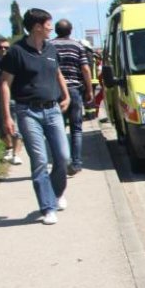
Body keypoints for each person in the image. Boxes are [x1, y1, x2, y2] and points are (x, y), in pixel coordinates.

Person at [0, 8, 71, 225]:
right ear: (38, 26)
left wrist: (66, 95)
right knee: (39, 161)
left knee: (63, 157)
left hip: (53, 110)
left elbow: (57, 73)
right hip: (27, 111)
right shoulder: (16, 52)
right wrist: (6, 117)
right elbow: (5, 83)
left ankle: (55, 193)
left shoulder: (51, 48)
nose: (52, 27)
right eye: (49, 23)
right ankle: (48, 207)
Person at [50, 19, 93, 175]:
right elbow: (86, 69)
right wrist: (89, 90)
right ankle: (76, 163)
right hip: (75, 90)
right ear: (70, 30)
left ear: (55, 30)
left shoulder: (49, 46)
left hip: (54, 91)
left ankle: (62, 162)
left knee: (57, 128)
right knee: (76, 129)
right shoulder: (77, 46)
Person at [0, 38, 23, 165]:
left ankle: (16, 154)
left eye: (6, 47)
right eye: (0, 47)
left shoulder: (14, 62)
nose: (3, 50)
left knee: (15, 128)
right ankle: (9, 147)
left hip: (12, 99)